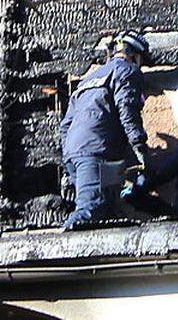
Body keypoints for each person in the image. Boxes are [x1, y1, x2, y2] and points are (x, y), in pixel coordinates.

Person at [60, 30, 151, 231]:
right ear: (135, 55)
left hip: (80, 154)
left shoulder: (87, 81)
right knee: (90, 208)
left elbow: (65, 125)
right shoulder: (128, 71)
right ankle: (53, 251)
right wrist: (139, 146)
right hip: (97, 152)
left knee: (108, 209)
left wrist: (68, 157)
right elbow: (127, 109)